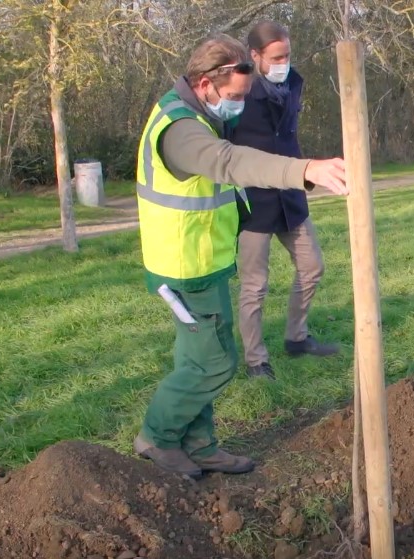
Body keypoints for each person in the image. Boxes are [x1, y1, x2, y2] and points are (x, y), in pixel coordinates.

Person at [133, 34, 348, 479]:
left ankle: (201, 445)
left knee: (197, 360)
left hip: (202, 262)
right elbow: (229, 162)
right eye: (234, 96)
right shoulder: (181, 130)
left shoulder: (192, 110)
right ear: (206, 83)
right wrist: (304, 170)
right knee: (215, 363)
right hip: (184, 268)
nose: (237, 105)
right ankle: (157, 436)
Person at [226, 21, 337, 382]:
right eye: (276, 57)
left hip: (291, 196)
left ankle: (297, 338)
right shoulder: (238, 93)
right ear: (255, 56)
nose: (283, 62)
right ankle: (256, 360)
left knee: (312, 266)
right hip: (253, 201)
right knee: (254, 286)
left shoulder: (292, 85)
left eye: (287, 55)